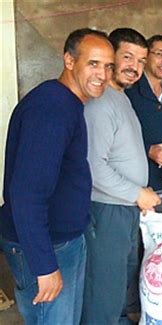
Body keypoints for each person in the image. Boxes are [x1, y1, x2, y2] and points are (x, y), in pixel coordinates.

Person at [0, 28, 114, 324]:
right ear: (69, 60)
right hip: (46, 246)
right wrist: (44, 265)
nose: (102, 74)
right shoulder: (51, 110)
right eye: (93, 63)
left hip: (62, 239)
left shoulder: (66, 103)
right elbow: (25, 195)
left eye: (108, 66)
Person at [81, 28, 161, 324]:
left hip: (124, 206)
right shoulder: (100, 104)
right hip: (107, 208)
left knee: (118, 280)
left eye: (141, 60)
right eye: (127, 57)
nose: (135, 67)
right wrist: (137, 193)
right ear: (110, 56)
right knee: (105, 284)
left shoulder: (120, 97)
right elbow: (94, 166)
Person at [126, 34, 162, 208]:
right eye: (159, 54)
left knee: (159, 234)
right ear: (146, 57)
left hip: (161, 185)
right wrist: (148, 149)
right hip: (133, 186)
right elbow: (117, 138)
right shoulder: (130, 90)